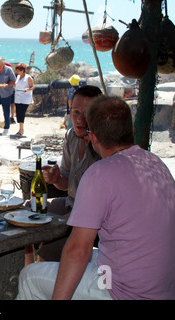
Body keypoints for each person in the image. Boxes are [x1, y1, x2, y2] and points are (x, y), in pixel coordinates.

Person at [17, 96, 175, 300]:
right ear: (130, 130)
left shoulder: (100, 173)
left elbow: (78, 250)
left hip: (127, 292)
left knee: (29, 277)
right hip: (168, 287)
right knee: (77, 261)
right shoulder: (155, 164)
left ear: (93, 137)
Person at [32, 85, 102, 263]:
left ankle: (40, 278)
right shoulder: (71, 136)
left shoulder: (104, 146)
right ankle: (25, 273)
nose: (80, 119)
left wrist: (68, 220)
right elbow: (66, 182)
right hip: (72, 205)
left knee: (49, 243)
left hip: (95, 219)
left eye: (87, 113)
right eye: (75, 112)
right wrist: (56, 179)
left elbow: (101, 207)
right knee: (29, 212)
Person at [13, 63, 34, 137]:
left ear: (23, 70)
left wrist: (27, 89)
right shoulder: (18, 77)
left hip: (25, 98)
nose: (17, 72)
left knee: (22, 113)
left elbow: (32, 87)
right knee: (18, 113)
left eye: (18, 71)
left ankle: (21, 130)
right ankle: (21, 129)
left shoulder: (28, 77)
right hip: (18, 98)